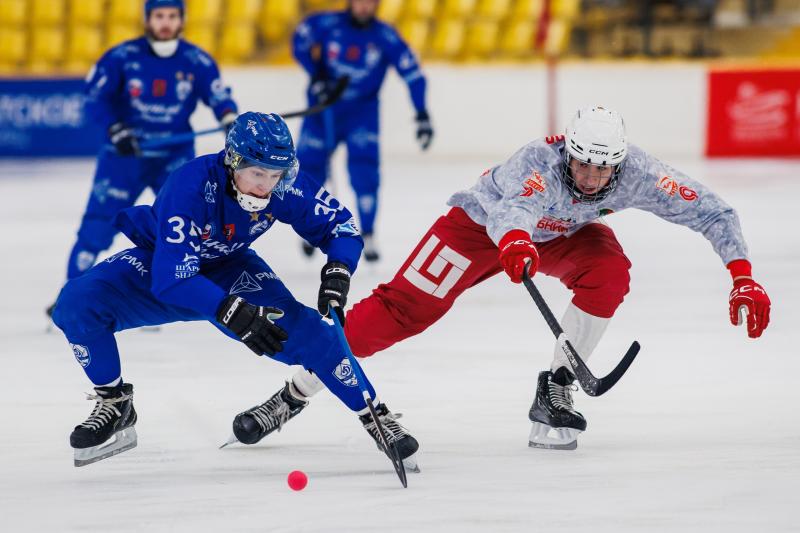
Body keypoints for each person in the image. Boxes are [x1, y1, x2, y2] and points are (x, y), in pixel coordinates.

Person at [232, 106, 772, 451]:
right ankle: (295, 392)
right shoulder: (540, 160)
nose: (588, 178)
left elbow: (712, 211)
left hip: (554, 236)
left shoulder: (640, 175)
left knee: (609, 271)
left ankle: (556, 389)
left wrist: (742, 275)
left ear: (620, 163)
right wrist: (513, 239)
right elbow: (513, 209)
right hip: (478, 228)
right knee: (399, 313)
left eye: (601, 171)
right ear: (569, 151)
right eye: (580, 165)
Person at [51, 112, 418, 467]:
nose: (265, 185)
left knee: (312, 332)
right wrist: (230, 310)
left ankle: (375, 416)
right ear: (232, 161)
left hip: (231, 269)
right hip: (162, 264)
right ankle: (115, 402)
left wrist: (338, 271)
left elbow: (341, 227)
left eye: (274, 174)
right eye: (257, 173)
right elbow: (173, 278)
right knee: (75, 304)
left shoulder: (284, 185)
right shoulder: (190, 186)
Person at [48, 0, 238, 316]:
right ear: (147, 19)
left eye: (172, 17)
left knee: (184, 225)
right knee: (96, 227)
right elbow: (95, 98)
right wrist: (115, 129)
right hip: (125, 156)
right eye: (159, 16)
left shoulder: (197, 60)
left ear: (182, 20)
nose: (165, 23)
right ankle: (71, 296)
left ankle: (181, 292)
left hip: (174, 157)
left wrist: (229, 118)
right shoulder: (121, 57)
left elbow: (219, 97)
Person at [292, 0, 433, 262]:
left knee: (365, 173)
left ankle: (367, 233)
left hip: (362, 117)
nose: (365, 7)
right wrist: (317, 75)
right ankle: (308, 227)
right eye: (360, 1)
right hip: (323, 111)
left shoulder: (384, 36)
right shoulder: (325, 24)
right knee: (309, 170)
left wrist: (421, 114)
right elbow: (299, 40)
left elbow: (412, 73)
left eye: (371, 2)